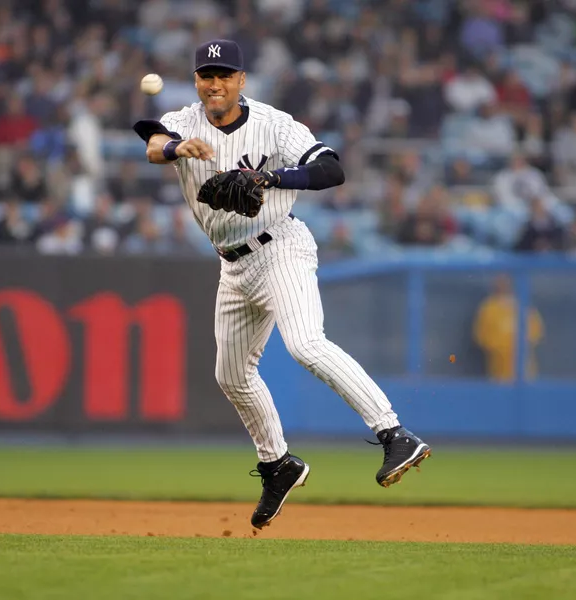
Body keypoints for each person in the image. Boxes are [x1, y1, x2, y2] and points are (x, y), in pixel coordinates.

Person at [133, 40, 431, 529]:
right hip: (232, 264)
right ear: (196, 81)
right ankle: (278, 464)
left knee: (306, 344)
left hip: (280, 248)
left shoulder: (274, 123)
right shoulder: (183, 121)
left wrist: (273, 178)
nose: (216, 83)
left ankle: (394, 433)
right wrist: (173, 147)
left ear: (242, 80)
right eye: (207, 74)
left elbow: (331, 168)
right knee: (231, 375)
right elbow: (152, 146)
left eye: (225, 74)